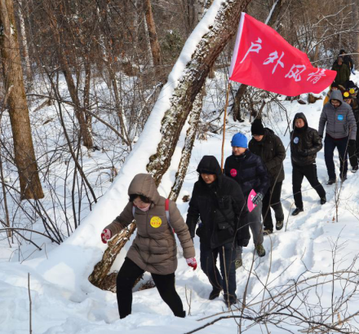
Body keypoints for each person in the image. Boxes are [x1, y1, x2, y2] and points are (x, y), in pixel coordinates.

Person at [101, 173, 196, 319]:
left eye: (141, 202)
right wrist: (109, 230)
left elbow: (182, 231)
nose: (138, 205)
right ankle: (124, 320)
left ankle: (181, 318)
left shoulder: (167, 207)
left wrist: (189, 255)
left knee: (167, 293)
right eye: (136, 202)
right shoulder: (133, 206)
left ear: (150, 197)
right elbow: (121, 221)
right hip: (140, 252)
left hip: (163, 257)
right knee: (123, 281)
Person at [186, 156, 249, 307]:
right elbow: (193, 210)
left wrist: (243, 234)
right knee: (206, 265)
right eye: (203, 173)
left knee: (228, 268)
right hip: (207, 233)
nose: (206, 177)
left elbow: (242, 211)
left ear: (216, 172)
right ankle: (217, 285)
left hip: (227, 233)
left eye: (209, 173)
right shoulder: (198, 187)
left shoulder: (230, 186)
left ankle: (229, 294)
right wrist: (189, 231)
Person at [224, 133, 270, 266]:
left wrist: (260, 193)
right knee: (237, 226)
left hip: (252, 198)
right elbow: (226, 180)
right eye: (233, 146)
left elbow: (265, 178)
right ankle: (237, 254)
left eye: (238, 147)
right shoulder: (229, 161)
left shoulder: (255, 160)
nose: (235, 149)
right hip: (235, 200)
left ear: (244, 147)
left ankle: (258, 243)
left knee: (255, 223)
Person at [248, 118, 286, 234]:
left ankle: (280, 217)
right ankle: (268, 226)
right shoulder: (252, 144)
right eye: (254, 135)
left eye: (258, 135)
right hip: (261, 178)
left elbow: (282, 154)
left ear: (263, 133)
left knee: (274, 200)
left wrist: (268, 165)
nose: (256, 137)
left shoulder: (274, 139)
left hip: (275, 175)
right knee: (264, 202)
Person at [290, 113, 327, 216]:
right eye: (296, 122)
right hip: (297, 165)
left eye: (300, 121)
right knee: (296, 186)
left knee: (314, 182)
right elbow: (292, 149)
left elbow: (319, 145)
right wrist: (293, 161)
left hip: (309, 163)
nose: (298, 124)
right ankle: (299, 206)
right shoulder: (292, 133)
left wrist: (308, 152)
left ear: (304, 121)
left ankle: (323, 195)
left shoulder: (312, 132)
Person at [318, 89, 357, 184]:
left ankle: (343, 175)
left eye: (336, 102)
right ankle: (331, 177)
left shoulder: (346, 108)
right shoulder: (327, 107)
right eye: (333, 102)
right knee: (328, 157)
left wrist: (352, 138)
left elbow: (353, 123)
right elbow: (322, 120)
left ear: (340, 100)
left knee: (343, 157)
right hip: (330, 136)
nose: (334, 104)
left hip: (343, 137)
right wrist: (320, 134)